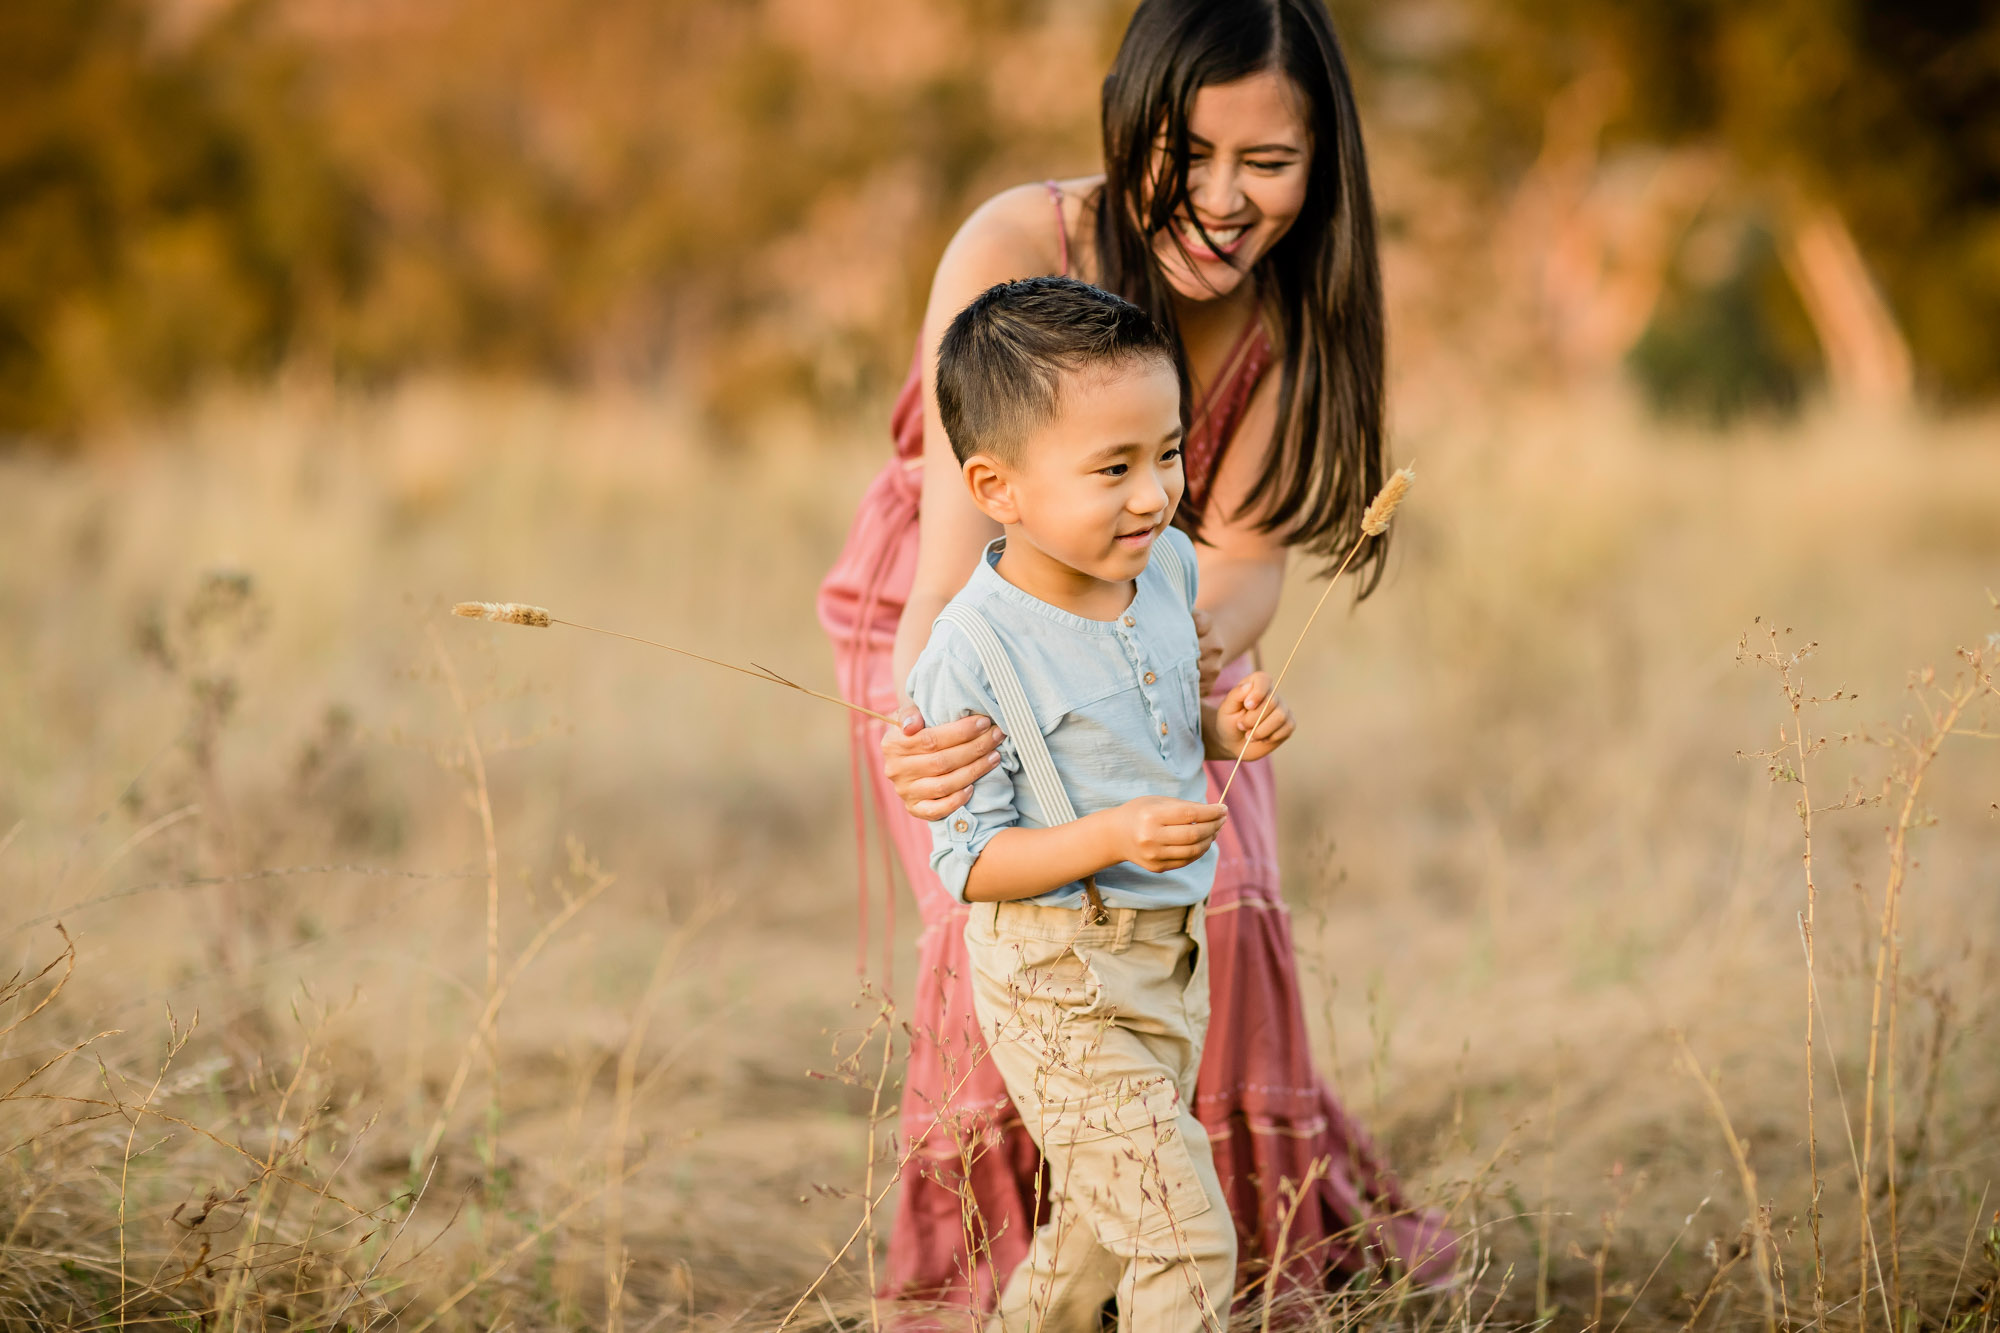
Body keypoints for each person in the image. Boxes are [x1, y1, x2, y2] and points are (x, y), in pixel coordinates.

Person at [818, 0, 1457, 1306]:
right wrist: (925, 718)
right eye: (1190, 153)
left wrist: (1164, 671)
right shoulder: (1012, 243)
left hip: (1167, 618)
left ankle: (1195, 1256)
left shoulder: (1298, 310)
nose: (1224, 201)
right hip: (968, 616)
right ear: (1132, 123)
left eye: (1268, 165)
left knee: (1225, 896)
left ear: (1321, 164)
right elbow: (954, 563)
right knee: (1020, 919)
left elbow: (1247, 557)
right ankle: (1032, 1277)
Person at [909, 275, 1295, 1332]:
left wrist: (1230, 727)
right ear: (1000, 486)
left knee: (1092, 1232)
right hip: (1054, 975)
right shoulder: (975, 650)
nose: (1152, 493)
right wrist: (1112, 836)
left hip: (1167, 962)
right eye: (1112, 468)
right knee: (1183, 1236)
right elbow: (972, 863)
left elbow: (1167, 716)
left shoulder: (1164, 568)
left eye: (1166, 453)